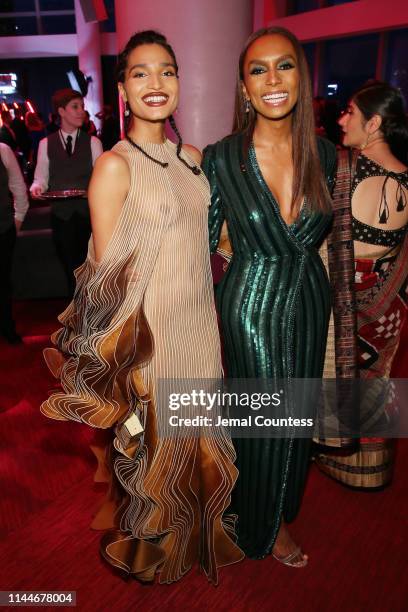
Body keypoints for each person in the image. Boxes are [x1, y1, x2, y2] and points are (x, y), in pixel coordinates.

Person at [40, 30, 243, 584]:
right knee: (154, 447)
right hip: (152, 336)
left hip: (199, 324)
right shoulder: (114, 166)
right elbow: (107, 277)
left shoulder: (194, 159)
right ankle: (155, 550)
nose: (156, 83)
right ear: (123, 91)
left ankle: (195, 533)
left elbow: (206, 241)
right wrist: (125, 363)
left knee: (198, 434)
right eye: (140, 73)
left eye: (167, 72)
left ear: (179, 83)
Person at [203, 26, 341, 567]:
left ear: (301, 79)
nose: (272, 80)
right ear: (244, 87)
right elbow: (200, 247)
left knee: (296, 418)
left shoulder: (327, 156)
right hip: (249, 303)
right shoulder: (222, 158)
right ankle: (258, 522)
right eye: (258, 70)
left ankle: (279, 507)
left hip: (309, 296)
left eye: (283, 66)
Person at [317, 81, 408, 488]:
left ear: (373, 124)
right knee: (375, 377)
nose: (341, 118)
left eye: (349, 111)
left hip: (344, 305)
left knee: (334, 373)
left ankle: (336, 449)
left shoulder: (342, 168)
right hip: (389, 307)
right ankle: (370, 463)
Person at [30, 89, 103, 296]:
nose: (81, 111)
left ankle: (90, 318)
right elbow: (41, 179)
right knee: (70, 271)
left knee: (89, 271)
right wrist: (36, 188)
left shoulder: (94, 143)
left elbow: (102, 181)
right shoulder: (46, 144)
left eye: (82, 107)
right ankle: (76, 319)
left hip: (89, 217)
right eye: (75, 107)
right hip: (61, 217)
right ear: (61, 111)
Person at [0, 142, 29, 343]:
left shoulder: (3, 150)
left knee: (2, 282)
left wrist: (17, 219)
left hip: (2, 227)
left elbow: (19, 187)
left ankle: (6, 326)